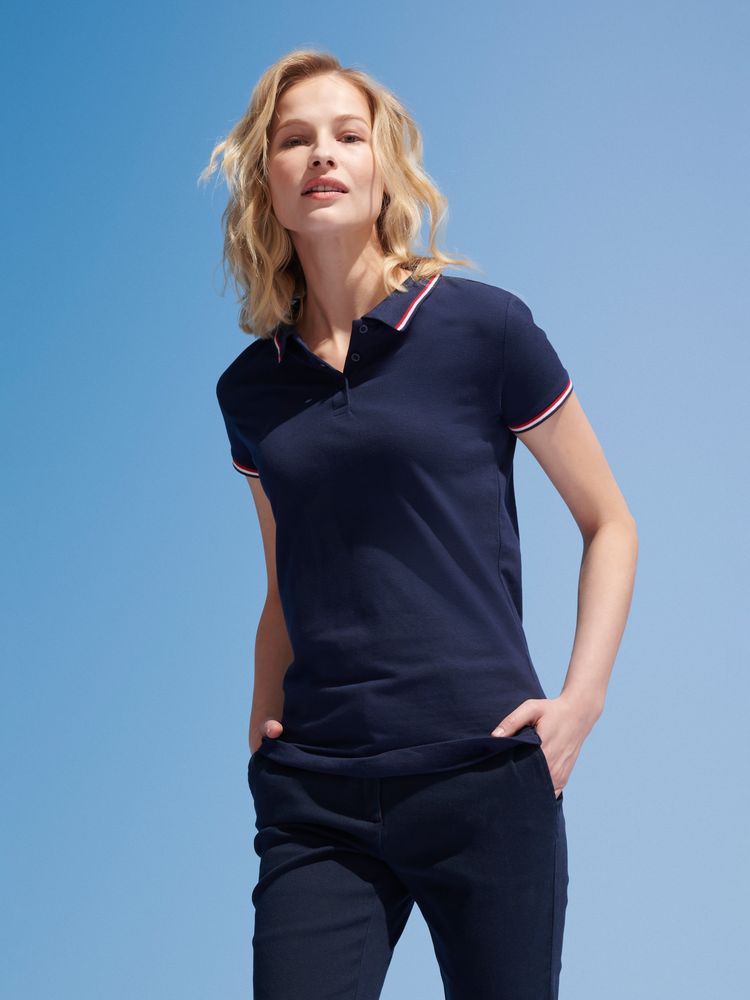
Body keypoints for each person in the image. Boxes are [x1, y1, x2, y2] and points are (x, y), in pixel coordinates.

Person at [201, 48, 638, 1000]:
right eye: (295, 140)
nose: (323, 154)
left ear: (384, 168)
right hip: (316, 793)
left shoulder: (485, 329)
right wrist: (261, 736)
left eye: (348, 136)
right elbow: (283, 582)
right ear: (267, 184)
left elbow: (609, 522)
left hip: (484, 773)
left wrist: (580, 704)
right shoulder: (250, 392)